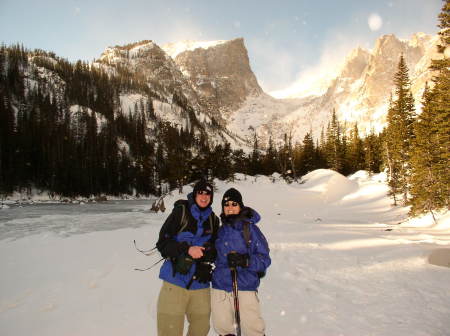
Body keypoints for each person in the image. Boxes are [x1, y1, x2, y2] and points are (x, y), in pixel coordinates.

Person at [156, 180, 220, 336]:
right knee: (169, 330)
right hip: (175, 280)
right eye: (201, 193)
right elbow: (163, 244)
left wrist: (206, 256)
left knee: (201, 328)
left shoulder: (213, 220)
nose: (204, 197)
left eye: (207, 194)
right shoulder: (181, 212)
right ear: (195, 194)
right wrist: (186, 249)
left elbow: (216, 250)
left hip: (200, 284)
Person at [211, 188, 271, 336]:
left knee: (252, 329)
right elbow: (213, 256)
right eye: (226, 205)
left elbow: (265, 259)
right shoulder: (220, 231)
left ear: (240, 206)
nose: (230, 208)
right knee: (223, 329)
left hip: (244, 286)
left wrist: (245, 261)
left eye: (233, 204)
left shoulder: (250, 229)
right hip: (220, 288)